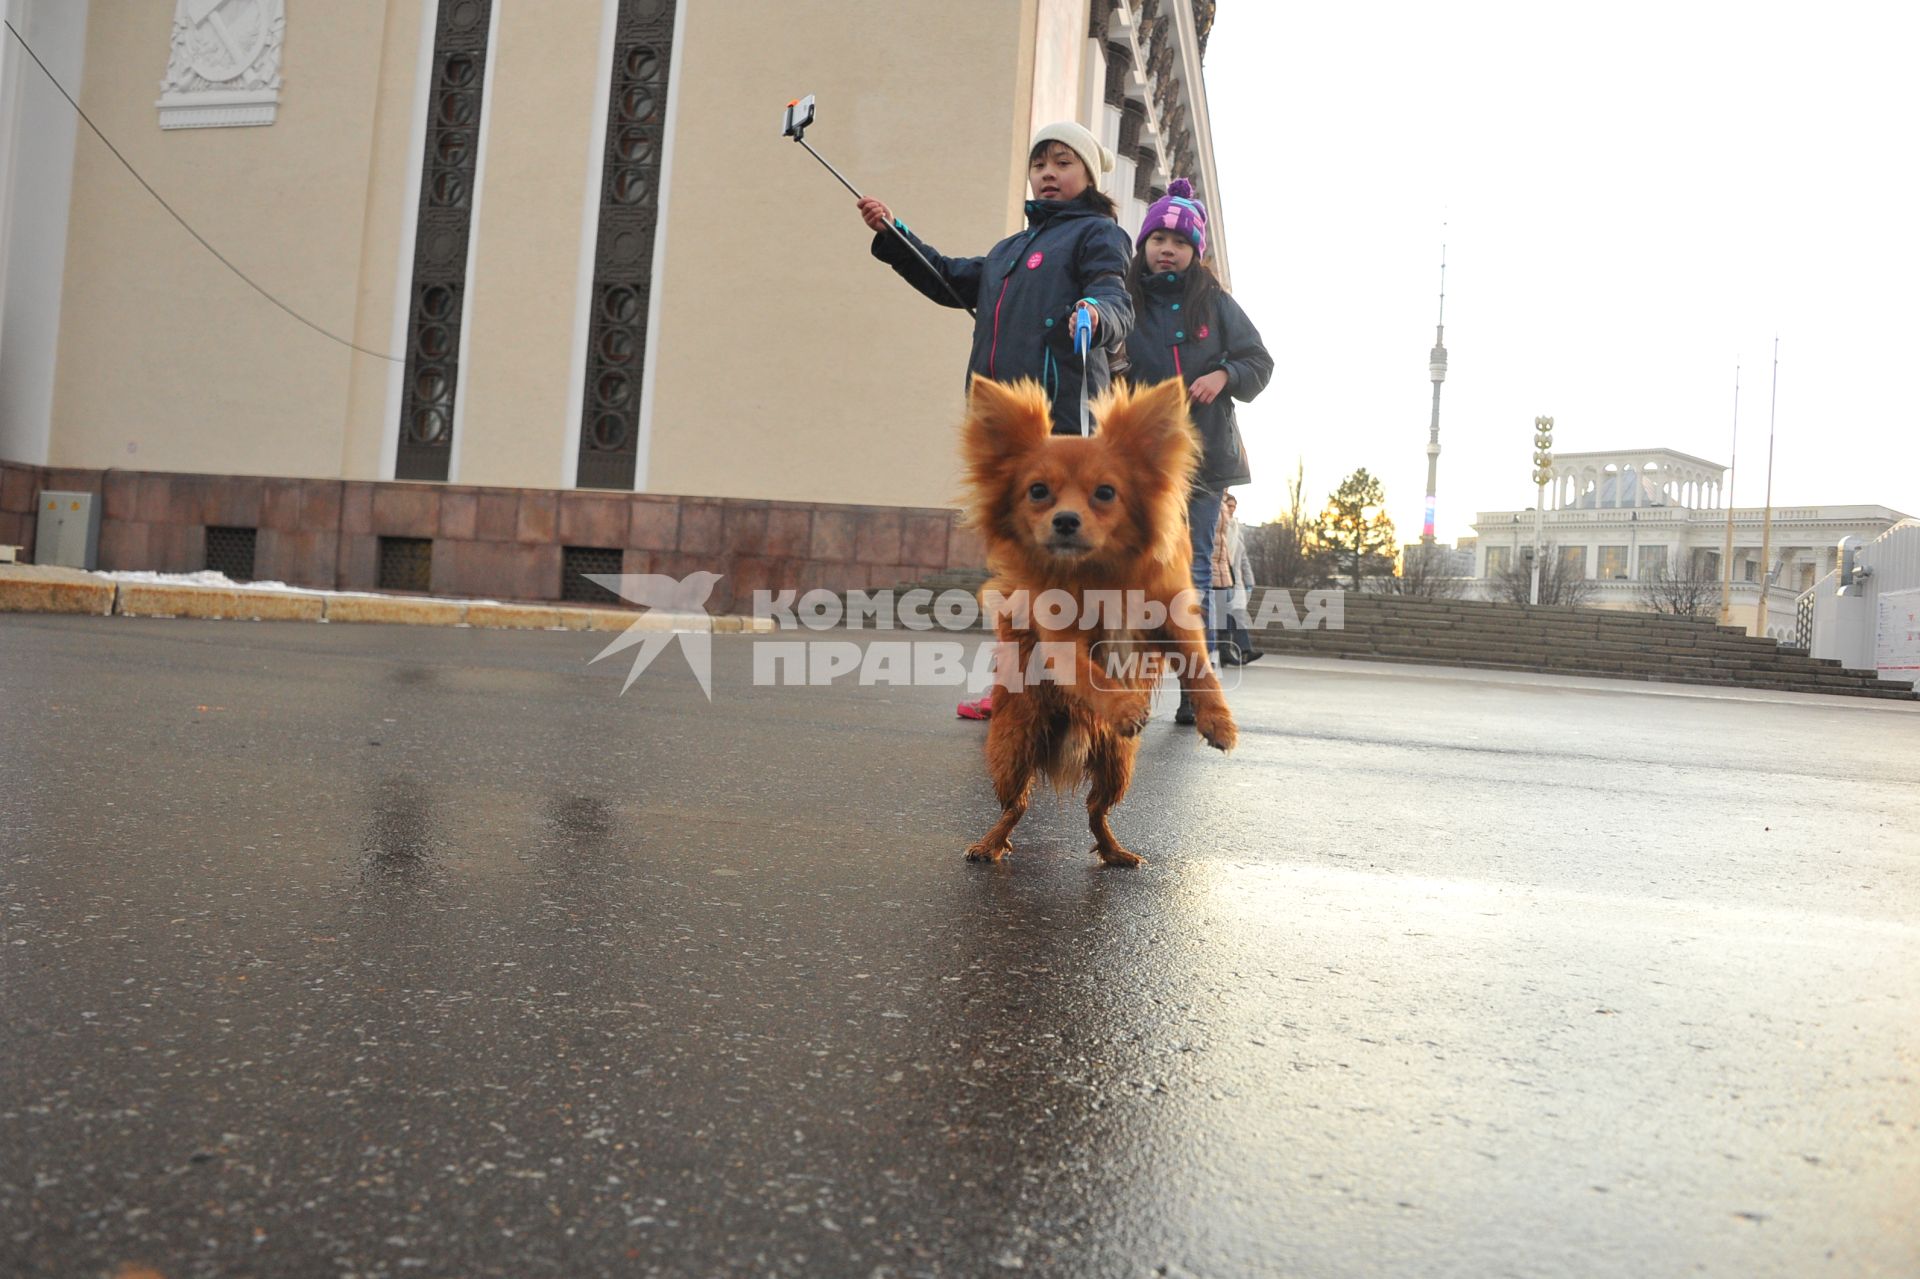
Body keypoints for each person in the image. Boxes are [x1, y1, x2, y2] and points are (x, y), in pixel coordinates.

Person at [856, 121, 1137, 719]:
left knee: (1054, 567)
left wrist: (1094, 311)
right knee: (1015, 564)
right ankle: (1019, 689)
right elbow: (945, 277)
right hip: (1003, 436)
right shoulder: (1010, 252)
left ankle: (1074, 685)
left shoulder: (1099, 234)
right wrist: (893, 232)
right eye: (1041, 164)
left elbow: (1115, 296)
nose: (1048, 173)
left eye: (1063, 163)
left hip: (1059, 427)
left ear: (1087, 175)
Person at [1122, 179, 1274, 722]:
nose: (1168, 248)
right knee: (1137, 570)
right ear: (1144, 243)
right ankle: (1132, 692)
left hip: (1204, 461)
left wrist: (1223, 373)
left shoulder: (1213, 302)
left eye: (1180, 242)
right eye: (1159, 237)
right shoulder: (1124, 295)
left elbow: (1259, 360)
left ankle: (1194, 691)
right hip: (1138, 461)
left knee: (1195, 575)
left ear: (1194, 253)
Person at [1213, 493, 1262, 664]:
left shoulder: (1236, 528)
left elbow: (1243, 558)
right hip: (1218, 575)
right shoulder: (1216, 523)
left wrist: (1249, 582)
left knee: (1237, 615)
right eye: (1229, 506)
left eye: (1234, 506)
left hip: (1233, 577)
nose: (1232, 509)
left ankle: (1244, 650)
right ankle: (1223, 652)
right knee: (1222, 615)